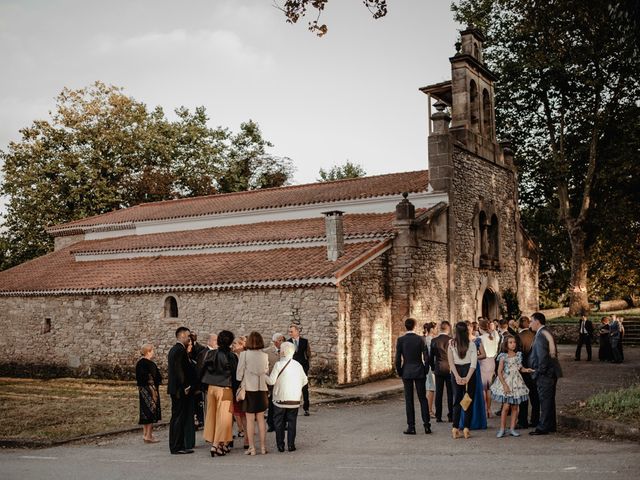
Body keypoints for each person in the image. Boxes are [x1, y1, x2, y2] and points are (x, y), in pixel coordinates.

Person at [267, 341, 308, 452]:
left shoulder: (278, 364)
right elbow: (305, 380)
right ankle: (291, 445)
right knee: (292, 421)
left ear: (284, 352)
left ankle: (280, 445)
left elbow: (271, 381)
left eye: (280, 350)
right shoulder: (297, 365)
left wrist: (263, 375)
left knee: (279, 421)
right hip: (294, 399)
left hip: (280, 398)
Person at [201, 330, 237, 457]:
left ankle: (220, 444)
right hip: (225, 388)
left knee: (212, 415)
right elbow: (235, 376)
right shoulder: (231, 356)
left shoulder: (211, 353)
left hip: (211, 387)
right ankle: (216, 444)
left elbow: (203, 369)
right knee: (224, 418)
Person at [490, 335, 532, 437]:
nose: (513, 344)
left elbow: (520, 368)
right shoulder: (503, 357)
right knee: (506, 407)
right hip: (507, 382)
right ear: (506, 344)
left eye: (514, 342)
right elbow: (499, 372)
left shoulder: (518, 355)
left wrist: (526, 370)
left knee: (515, 407)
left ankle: (512, 428)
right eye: (510, 342)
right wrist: (504, 385)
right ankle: (502, 429)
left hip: (517, 383)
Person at [395, 317, 431, 435]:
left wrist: (400, 371)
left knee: (409, 400)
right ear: (415, 326)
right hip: (419, 370)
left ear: (405, 326)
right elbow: (426, 356)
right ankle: (427, 425)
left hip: (407, 370)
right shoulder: (421, 339)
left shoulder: (401, 340)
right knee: (422, 398)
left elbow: (397, 358)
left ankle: (411, 426)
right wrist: (425, 369)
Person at [237, 331, 270, 455]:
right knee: (261, 419)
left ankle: (252, 447)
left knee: (250, 419)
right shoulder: (265, 356)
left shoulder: (244, 355)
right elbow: (266, 371)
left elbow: (238, 375)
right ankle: (262, 447)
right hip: (261, 389)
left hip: (249, 389)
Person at [529, 312, 561, 435]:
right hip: (550, 372)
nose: (530, 323)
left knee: (545, 400)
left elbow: (543, 357)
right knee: (549, 400)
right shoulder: (545, 332)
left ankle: (543, 427)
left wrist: (538, 373)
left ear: (537, 322)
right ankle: (550, 425)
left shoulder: (541, 335)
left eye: (531, 321)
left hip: (545, 374)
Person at [447, 321, 478, 439]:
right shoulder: (472, 345)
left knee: (457, 401)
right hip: (469, 373)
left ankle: (455, 428)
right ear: (466, 331)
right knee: (467, 401)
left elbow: (451, 362)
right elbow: (473, 364)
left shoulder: (451, 344)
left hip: (456, 373)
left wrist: (457, 377)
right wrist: (467, 378)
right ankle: (466, 428)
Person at [167, 326, 194, 454]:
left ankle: (178, 445)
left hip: (175, 388)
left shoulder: (175, 349)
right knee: (178, 417)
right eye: (188, 336)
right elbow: (179, 370)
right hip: (179, 389)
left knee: (178, 416)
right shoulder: (179, 350)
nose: (189, 339)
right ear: (182, 336)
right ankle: (176, 446)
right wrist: (185, 386)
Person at [459, 321, 487, 430]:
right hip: (463, 368)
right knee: (463, 394)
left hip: (475, 369)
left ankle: (476, 421)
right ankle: (464, 421)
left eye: (470, 327)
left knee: (474, 393)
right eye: (466, 328)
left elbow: (484, 355)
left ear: (472, 328)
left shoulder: (477, 340)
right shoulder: (460, 341)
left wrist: (474, 358)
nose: (468, 329)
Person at [135, 343, 162, 443]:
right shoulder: (150, 364)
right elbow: (157, 377)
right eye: (153, 350)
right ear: (148, 352)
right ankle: (149, 436)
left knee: (144, 411)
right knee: (151, 411)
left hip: (142, 390)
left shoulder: (139, 363)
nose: (154, 352)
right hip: (151, 390)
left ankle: (145, 433)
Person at [517, 316, 539, 429]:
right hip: (534, 368)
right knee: (534, 395)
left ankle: (522, 420)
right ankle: (535, 419)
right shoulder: (535, 335)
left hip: (523, 369)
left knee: (523, 396)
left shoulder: (519, 337)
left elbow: (518, 355)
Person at [430, 320, 453, 423]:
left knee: (439, 393)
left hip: (439, 368)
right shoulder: (451, 340)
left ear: (441, 328)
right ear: (448, 328)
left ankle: (438, 416)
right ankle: (451, 415)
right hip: (450, 368)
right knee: (450, 392)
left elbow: (431, 357)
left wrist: (433, 367)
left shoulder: (434, 340)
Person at [478, 318, 500, 418]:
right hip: (492, 362)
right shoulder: (494, 337)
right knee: (489, 388)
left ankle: (484, 409)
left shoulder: (480, 339)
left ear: (480, 327)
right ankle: (489, 409)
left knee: (483, 388)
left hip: (483, 362)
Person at [264, 333, 286, 432]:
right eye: (280, 340)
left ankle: (283, 423)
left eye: (283, 340)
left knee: (283, 403)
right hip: (272, 381)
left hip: (283, 382)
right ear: (275, 342)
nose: (282, 342)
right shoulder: (267, 352)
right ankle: (271, 424)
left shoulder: (287, 351)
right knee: (272, 404)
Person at [288, 325, 311, 416]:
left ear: (297, 331)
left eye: (291, 331)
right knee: (292, 388)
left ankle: (306, 408)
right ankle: (292, 407)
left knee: (304, 388)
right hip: (292, 368)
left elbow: (308, 354)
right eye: (289, 332)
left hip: (303, 367)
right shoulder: (288, 342)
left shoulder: (304, 341)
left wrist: (306, 367)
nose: (290, 333)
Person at [231, 336, 248, 448]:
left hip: (242, 388)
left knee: (244, 415)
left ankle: (247, 438)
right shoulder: (232, 356)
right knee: (234, 413)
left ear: (242, 345)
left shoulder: (245, 357)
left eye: (236, 343)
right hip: (233, 388)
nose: (233, 345)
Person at [423, 322, 437, 417]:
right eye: (435, 328)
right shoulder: (431, 340)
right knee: (431, 388)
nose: (436, 330)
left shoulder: (424, 339)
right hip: (430, 366)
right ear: (432, 329)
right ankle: (429, 410)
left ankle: (429, 409)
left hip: (425, 365)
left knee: (429, 387)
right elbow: (432, 355)